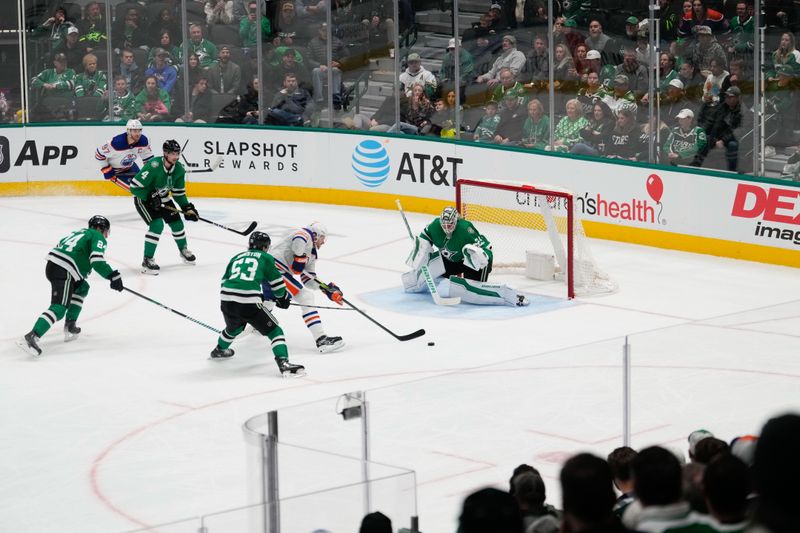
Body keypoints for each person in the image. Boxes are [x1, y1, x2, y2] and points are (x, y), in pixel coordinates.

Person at [17, 216, 123, 357]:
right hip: (65, 269)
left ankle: (70, 325)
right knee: (59, 308)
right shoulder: (98, 236)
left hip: (55, 266)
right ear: (101, 228)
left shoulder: (78, 233)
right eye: (106, 232)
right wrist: (112, 275)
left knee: (82, 287)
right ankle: (32, 336)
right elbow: (96, 260)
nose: (106, 236)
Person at [211, 231, 305, 376]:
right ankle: (284, 363)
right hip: (248, 302)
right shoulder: (266, 257)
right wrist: (283, 297)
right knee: (275, 331)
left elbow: (225, 281)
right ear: (266, 247)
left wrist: (251, 293)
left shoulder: (236, 257)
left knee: (233, 329)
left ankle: (219, 350)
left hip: (226, 300)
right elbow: (276, 282)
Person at [402, 206, 529, 306]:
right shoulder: (435, 225)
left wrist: (482, 256)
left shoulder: (465, 229)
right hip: (451, 260)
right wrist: (421, 249)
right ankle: (410, 283)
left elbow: (487, 247)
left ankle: (511, 296)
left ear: (456, 221)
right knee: (423, 273)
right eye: (444, 225)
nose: (447, 228)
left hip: (474, 262)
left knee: (469, 291)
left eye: (450, 224)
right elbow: (425, 237)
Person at [261, 223, 345, 353]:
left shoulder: (312, 255)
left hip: (272, 271)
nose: (323, 242)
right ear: (316, 235)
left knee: (269, 302)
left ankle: (256, 324)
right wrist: (299, 256)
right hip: (273, 269)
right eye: (323, 238)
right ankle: (321, 340)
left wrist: (326, 289)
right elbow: (299, 239)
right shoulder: (305, 234)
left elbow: (308, 279)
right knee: (306, 297)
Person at [130, 139, 199, 274]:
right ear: (165, 153)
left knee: (177, 224)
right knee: (157, 225)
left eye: (177, 153)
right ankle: (147, 259)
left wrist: (187, 208)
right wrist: (149, 196)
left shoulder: (179, 169)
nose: (176, 157)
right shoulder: (153, 165)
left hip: (162, 198)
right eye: (173, 154)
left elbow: (178, 194)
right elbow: (134, 187)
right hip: (143, 199)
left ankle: (183, 250)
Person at [95, 118, 154, 191]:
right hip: (116, 172)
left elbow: (148, 159)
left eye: (139, 130)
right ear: (128, 131)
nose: (138, 133)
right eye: (135, 131)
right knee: (138, 191)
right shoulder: (116, 143)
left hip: (131, 166)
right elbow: (99, 154)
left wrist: (151, 172)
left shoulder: (144, 141)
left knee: (148, 187)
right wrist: (106, 169)